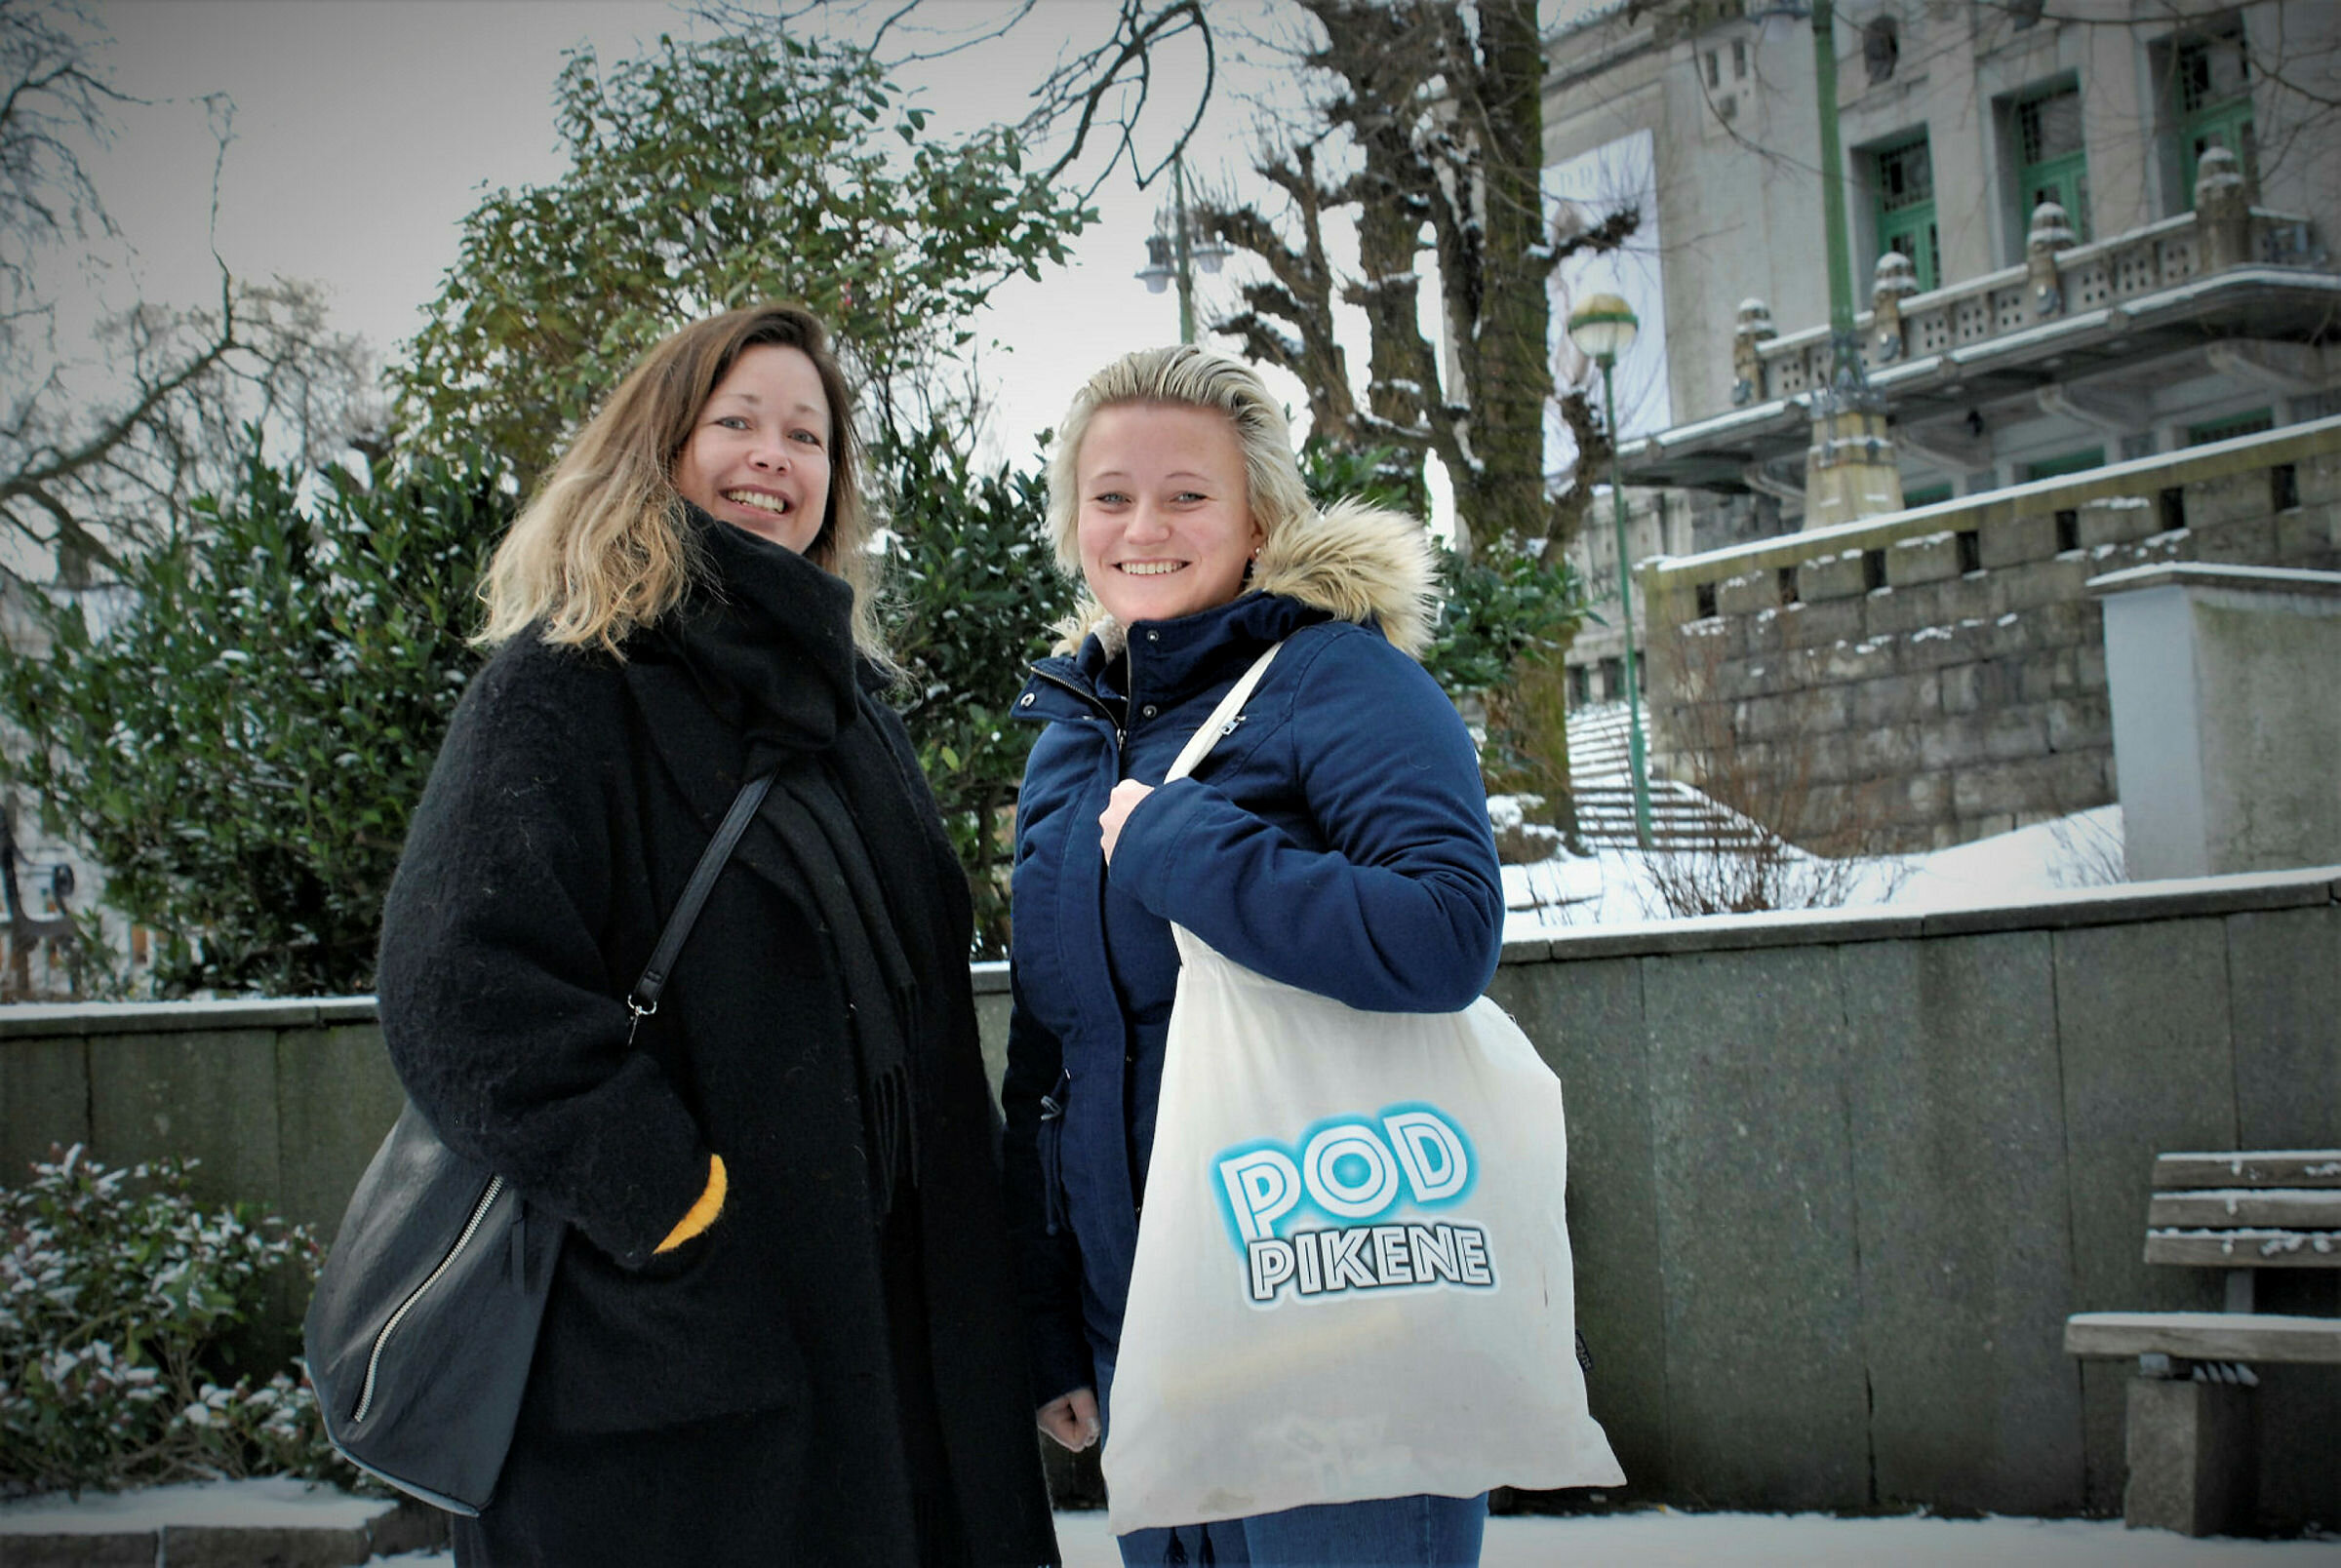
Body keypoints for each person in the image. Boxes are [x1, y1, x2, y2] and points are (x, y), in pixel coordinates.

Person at [375, 303, 1059, 1568]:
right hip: (675, 1357)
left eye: (808, 434)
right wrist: (675, 1203)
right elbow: (459, 988)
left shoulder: (855, 707)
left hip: (899, 1343)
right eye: (734, 420)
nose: (774, 457)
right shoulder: (567, 682)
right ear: (658, 445)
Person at [1000, 345, 1505, 1567]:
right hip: (1145, 1338)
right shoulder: (1071, 738)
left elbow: (1449, 931)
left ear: (1261, 517)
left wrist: (1182, 848)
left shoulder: (1339, 680)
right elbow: (1051, 1049)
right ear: (1074, 519)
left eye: (1188, 495)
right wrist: (1048, 1321)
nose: (1144, 527)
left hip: (1331, 1318)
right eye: (1111, 496)